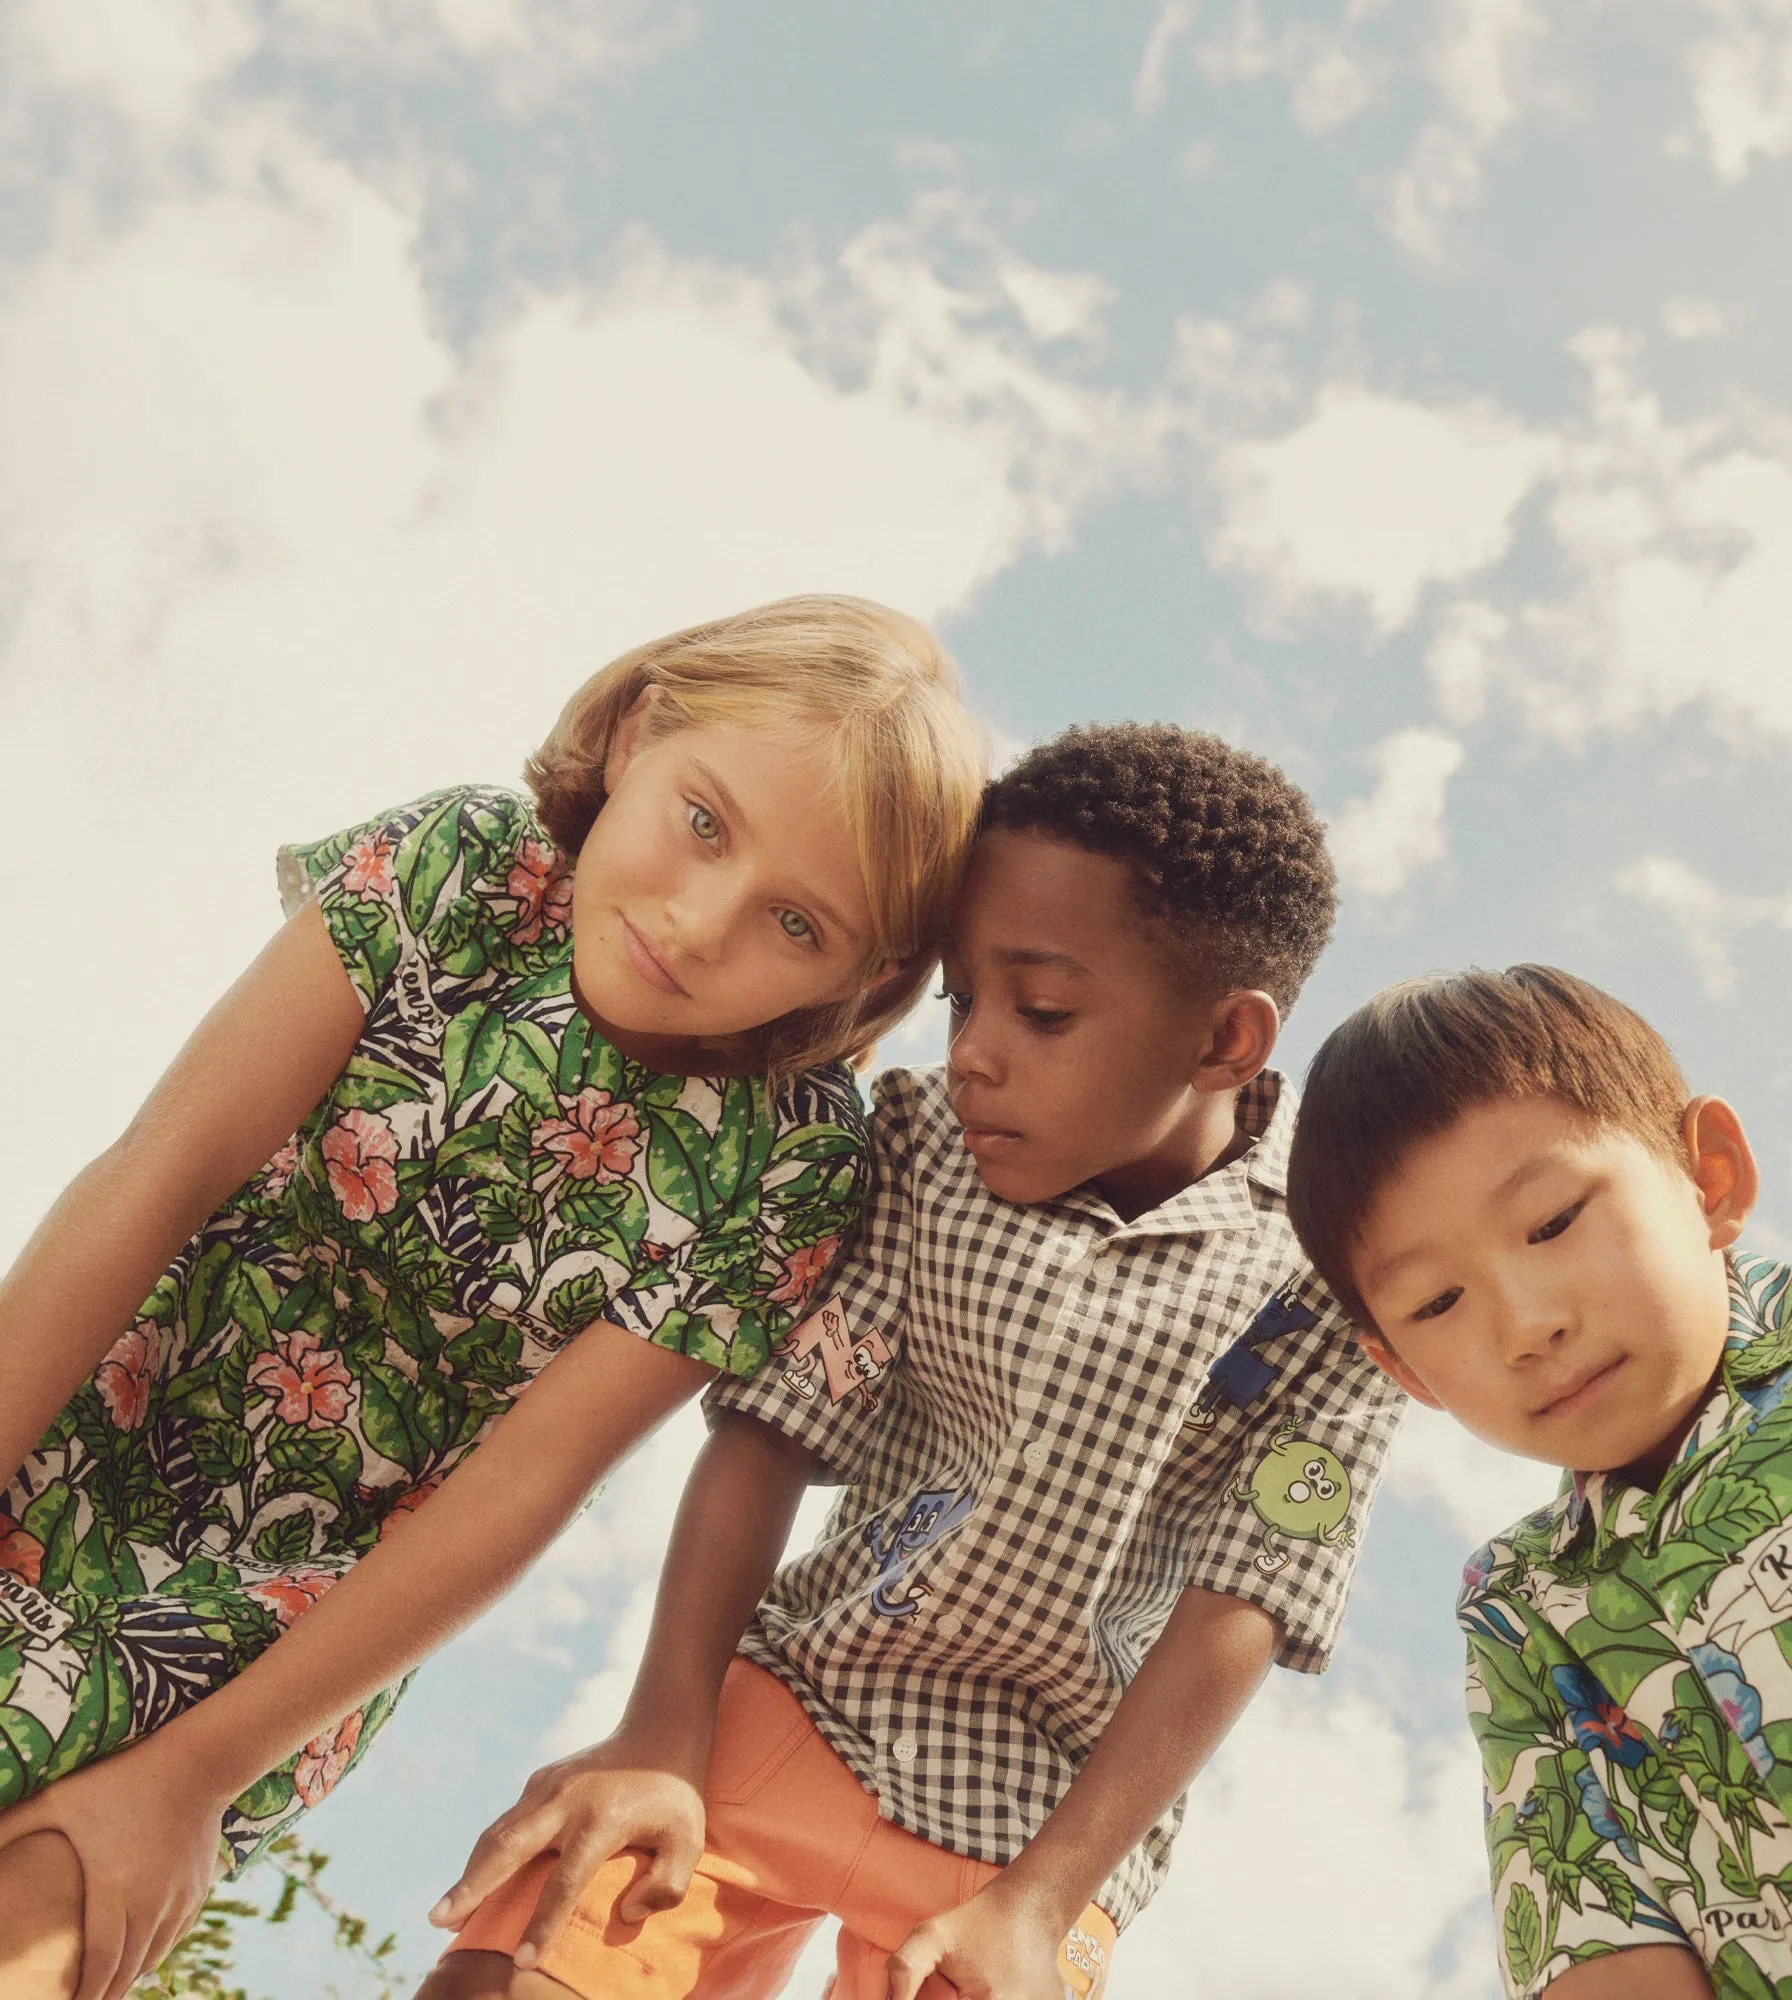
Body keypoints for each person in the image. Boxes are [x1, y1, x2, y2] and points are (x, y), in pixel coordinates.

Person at [0, 595, 987, 2000]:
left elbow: (521, 1490)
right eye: (704, 821)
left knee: (44, 1905)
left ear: (866, 975)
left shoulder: (784, 1161)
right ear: (643, 729)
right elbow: (155, 1176)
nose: (701, 924)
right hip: (79, 1405)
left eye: (794, 921)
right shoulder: (461, 868)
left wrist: (197, 1778)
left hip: (282, 1619)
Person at [420, 723, 1407, 2000]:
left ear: (1225, 1038)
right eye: (961, 999)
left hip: (1040, 1834)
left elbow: (1243, 1602)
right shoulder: (926, 1148)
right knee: (515, 1958)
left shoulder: (1339, 1267)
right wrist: (665, 1728)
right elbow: (771, 1427)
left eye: (1041, 1011)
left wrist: (1043, 1901)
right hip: (798, 1700)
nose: (972, 1050)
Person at [1285, 963, 1792, 2000]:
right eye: (1437, 1301)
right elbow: (1597, 1949)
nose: (1526, 1323)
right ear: (1402, 1369)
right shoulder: (1519, 1612)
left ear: (1708, 1174)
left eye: (1550, 1221)